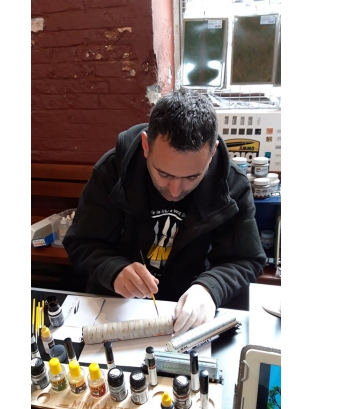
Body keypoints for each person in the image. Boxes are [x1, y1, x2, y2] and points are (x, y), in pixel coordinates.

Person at [63, 89, 266, 334]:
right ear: (146, 145)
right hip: (118, 310)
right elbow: (81, 242)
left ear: (212, 153)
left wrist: (210, 288)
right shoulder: (113, 171)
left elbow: (246, 259)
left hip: (190, 313)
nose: (175, 190)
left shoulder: (232, 185)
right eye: (163, 174)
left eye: (192, 177)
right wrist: (113, 270)